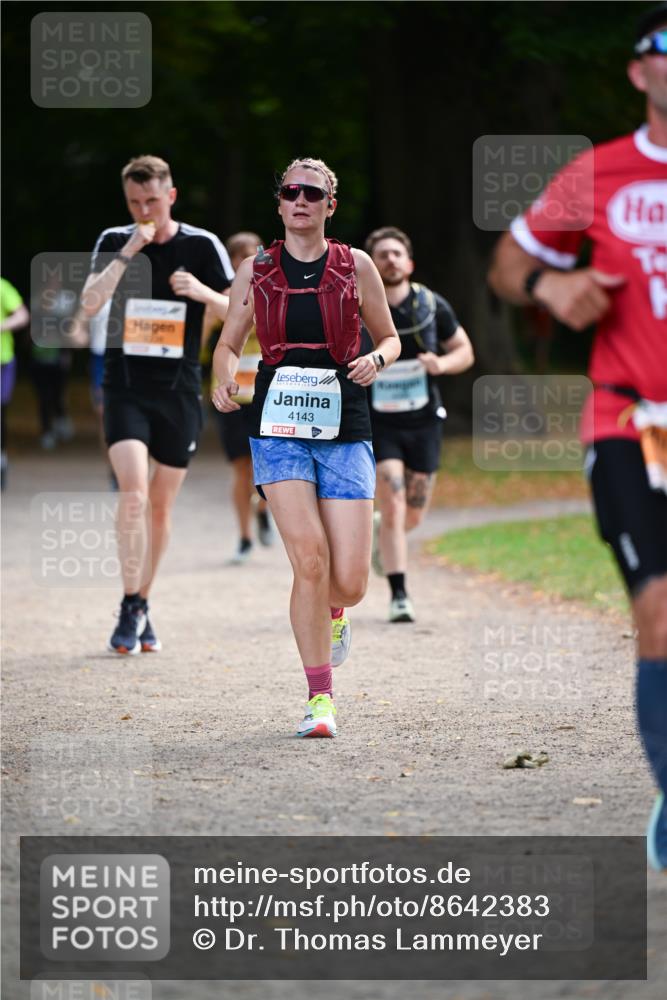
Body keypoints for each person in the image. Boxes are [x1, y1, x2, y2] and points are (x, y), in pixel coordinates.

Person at [488, 2, 667, 870]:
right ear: (638, 70)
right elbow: (507, 264)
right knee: (658, 609)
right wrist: (549, 289)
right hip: (628, 421)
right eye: (664, 47)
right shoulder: (595, 171)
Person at [212, 157, 401, 738]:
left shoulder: (356, 265)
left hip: (345, 421)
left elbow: (390, 337)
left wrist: (376, 358)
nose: (300, 200)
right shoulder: (256, 269)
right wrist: (223, 379)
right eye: (291, 191)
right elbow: (229, 343)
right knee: (309, 561)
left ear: (329, 206)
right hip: (278, 424)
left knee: (350, 582)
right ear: (279, 203)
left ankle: (336, 611)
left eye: (312, 193)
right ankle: (320, 699)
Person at [81, 154, 234, 654]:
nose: (144, 210)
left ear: (171, 196)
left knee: (161, 506)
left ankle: (141, 600)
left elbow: (241, 311)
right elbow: (89, 304)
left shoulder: (202, 244)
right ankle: (131, 602)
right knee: (133, 494)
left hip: (178, 390)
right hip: (125, 386)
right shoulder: (113, 240)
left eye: (151, 200)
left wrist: (202, 291)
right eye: (134, 202)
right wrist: (128, 252)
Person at [364, 227, 474, 623]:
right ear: (371, 265)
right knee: (393, 503)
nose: (390, 260)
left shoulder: (429, 305)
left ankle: (383, 534)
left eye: (396, 253)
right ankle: (399, 595)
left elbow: (464, 350)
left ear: (409, 263)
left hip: (424, 420)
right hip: (380, 422)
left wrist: (440, 364)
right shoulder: (361, 305)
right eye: (382, 254)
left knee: (412, 514)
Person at [207, 231, 274, 564]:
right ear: (233, 261)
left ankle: (263, 509)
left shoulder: (275, 291)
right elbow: (206, 332)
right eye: (243, 254)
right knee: (240, 469)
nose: (252, 258)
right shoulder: (222, 296)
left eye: (256, 252)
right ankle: (245, 537)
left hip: (268, 392)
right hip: (232, 392)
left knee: (268, 468)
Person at [0, 277, 30, 490]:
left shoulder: (2, 287)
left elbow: (22, 316)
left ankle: (1, 458)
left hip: (2, 360)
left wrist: (1, 326)